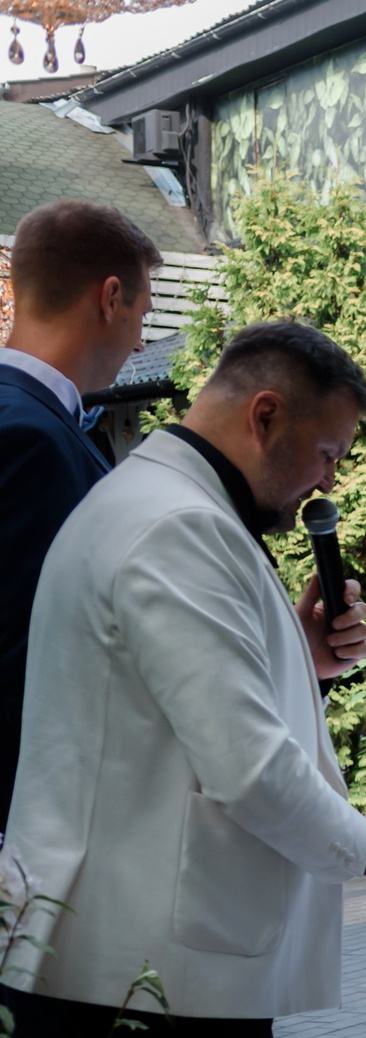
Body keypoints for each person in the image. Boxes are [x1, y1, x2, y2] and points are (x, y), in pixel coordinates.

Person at [1, 321, 366, 1038]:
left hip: (143, 966)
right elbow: (245, 765)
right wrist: (362, 840)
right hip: (151, 984)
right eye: (325, 451)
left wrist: (306, 661)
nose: (327, 480)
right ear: (264, 414)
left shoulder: (164, 503)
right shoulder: (179, 525)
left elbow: (159, 715)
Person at [0, 201, 160, 831]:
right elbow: (32, 653)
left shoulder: (33, 423)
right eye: (142, 314)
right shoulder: (30, 440)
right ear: (110, 297)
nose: (142, 339)